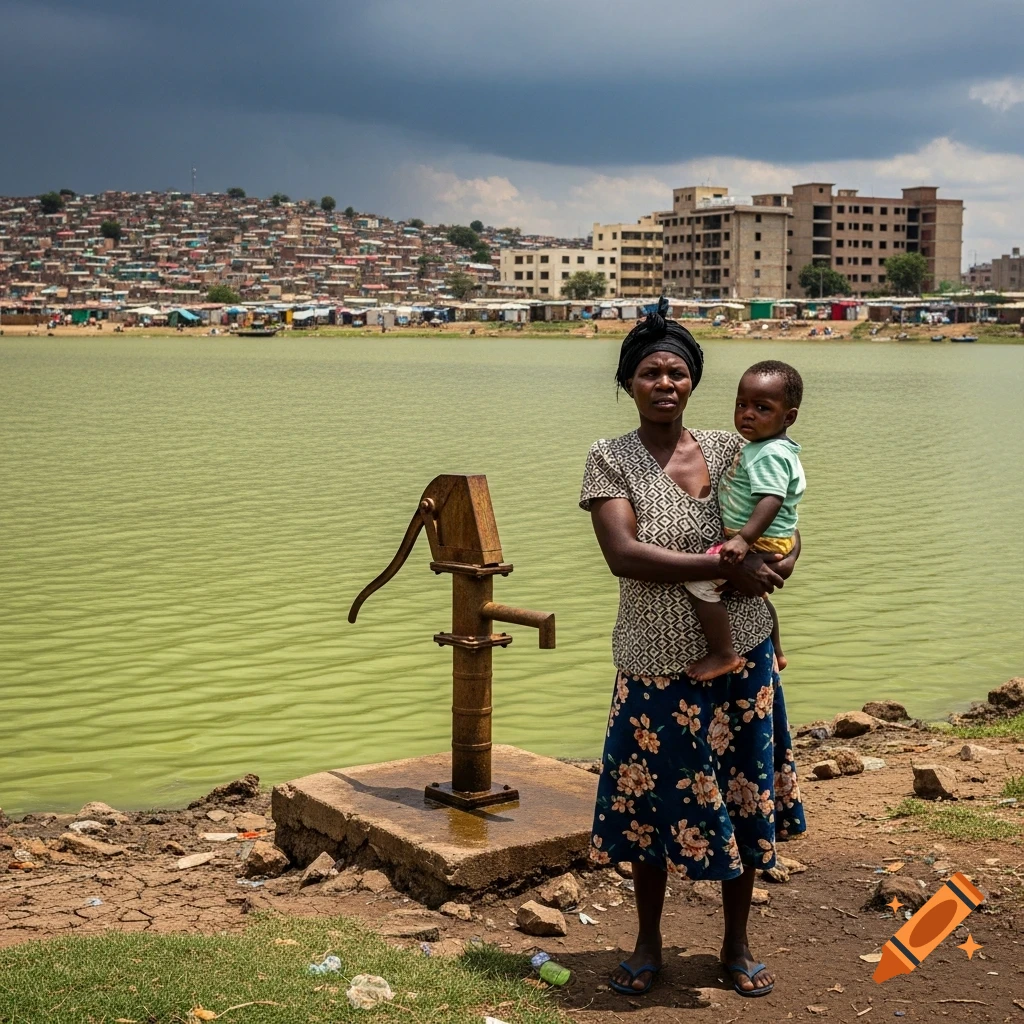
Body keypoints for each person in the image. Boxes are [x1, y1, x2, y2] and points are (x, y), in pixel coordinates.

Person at [580, 301, 806, 998]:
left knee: (743, 795)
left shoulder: (734, 445)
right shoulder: (608, 459)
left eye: (677, 372)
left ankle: (736, 946)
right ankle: (647, 945)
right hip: (655, 660)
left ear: (693, 382)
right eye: (651, 372)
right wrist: (725, 567)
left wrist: (779, 561)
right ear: (629, 382)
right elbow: (625, 555)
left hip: (744, 654)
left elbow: (786, 526)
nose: (665, 383)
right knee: (649, 808)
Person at [684, 361, 805, 679]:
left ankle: (723, 653)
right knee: (760, 595)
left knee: (698, 582)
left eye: (762, 408)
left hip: (758, 538)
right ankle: (777, 652)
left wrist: (743, 539)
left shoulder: (768, 454)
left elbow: (772, 499)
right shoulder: (765, 448)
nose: (748, 414)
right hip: (771, 537)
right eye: (742, 405)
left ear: (788, 417)